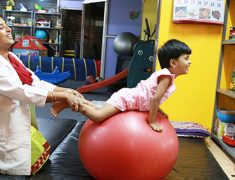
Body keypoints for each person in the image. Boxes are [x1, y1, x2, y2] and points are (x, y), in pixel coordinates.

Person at [0, 17, 85, 175]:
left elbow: (33, 81)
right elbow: (21, 91)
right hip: (7, 127)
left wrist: (63, 90)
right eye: (1, 27)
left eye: (7, 25)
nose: (8, 29)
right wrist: (58, 96)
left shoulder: (12, 57)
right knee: (16, 163)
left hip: (21, 121)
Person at [51, 39, 192, 132]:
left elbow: (152, 97)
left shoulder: (166, 75)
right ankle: (70, 102)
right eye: (186, 59)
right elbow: (154, 99)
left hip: (129, 97)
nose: (189, 62)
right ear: (173, 63)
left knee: (96, 108)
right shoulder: (166, 77)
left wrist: (160, 112)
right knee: (98, 115)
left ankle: (72, 101)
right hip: (127, 99)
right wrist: (152, 121)